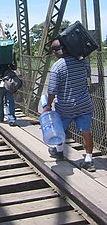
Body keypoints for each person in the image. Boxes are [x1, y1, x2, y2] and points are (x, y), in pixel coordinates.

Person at [42, 38, 96, 172]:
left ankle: (59, 151)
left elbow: (52, 90)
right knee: (86, 131)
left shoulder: (57, 67)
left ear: (57, 52)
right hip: (84, 104)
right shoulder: (82, 61)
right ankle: (89, 160)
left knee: (58, 128)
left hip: (66, 106)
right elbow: (87, 75)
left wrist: (47, 106)